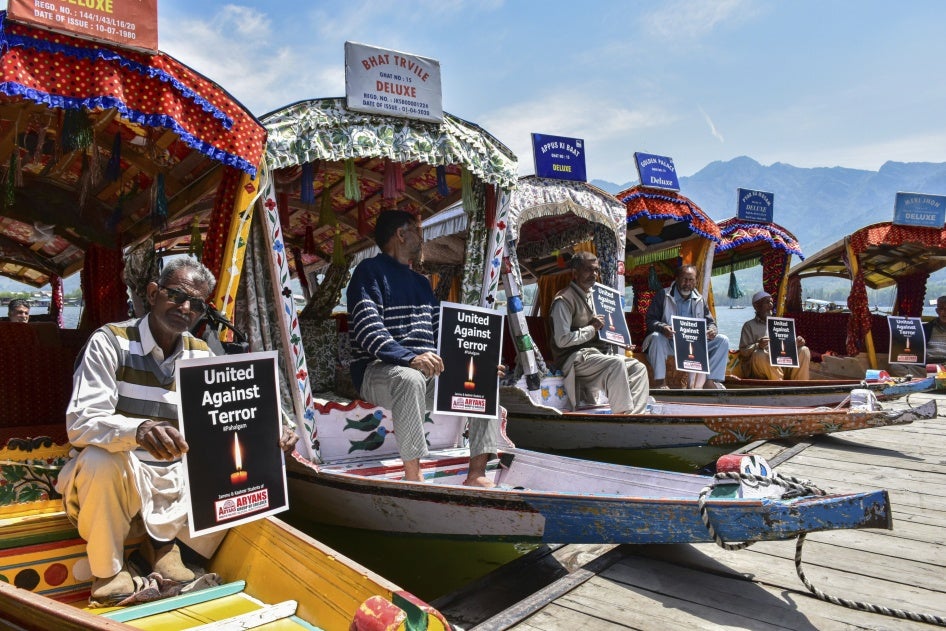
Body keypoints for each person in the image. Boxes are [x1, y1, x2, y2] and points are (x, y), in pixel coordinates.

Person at [56, 257, 297, 604]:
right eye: (176, 296)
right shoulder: (110, 342)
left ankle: (172, 552)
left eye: (196, 304)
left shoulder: (201, 354)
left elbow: (238, 410)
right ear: (153, 293)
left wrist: (277, 432)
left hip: (172, 482)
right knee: (98, 459)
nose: (185, 308)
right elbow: (81, 421)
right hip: (118, 483)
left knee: (248, 468)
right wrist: (139, 430)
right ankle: (108, 573)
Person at [347, 210, 499, 487]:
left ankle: (476, 474)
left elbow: (444, 333)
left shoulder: (421, 283)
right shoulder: (368, 273)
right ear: (401, 234)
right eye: (418, 231)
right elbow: (368, 331)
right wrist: (410, 358)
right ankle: (413, 476)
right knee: (410, 378)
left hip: (424, 371)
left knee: (483, 380)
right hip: (378, 371)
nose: (422, 239)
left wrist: (479, 361)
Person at [548, 251, 649, 413]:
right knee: (616, 364)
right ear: (575, 273)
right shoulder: (564, 300)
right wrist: (591, 328)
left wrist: (620, 339)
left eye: (596, 270)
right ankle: (622, 415)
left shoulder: (597, 296)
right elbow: (562, 340)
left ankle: (635, 415)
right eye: (588, 270)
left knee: (638, 368)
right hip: (573, 358)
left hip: (597, 356)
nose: (594, 274)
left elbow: (606, 331)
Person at [643, 264, 730, 389]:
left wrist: (712, 330)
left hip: (692, 345)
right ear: (677, 278)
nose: (687, 283)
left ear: (696, 281)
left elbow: (710, 322)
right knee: (657, 337)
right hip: (669, 343)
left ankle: (710, 381)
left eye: (691, 280)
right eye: (684, 279)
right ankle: (660, 381)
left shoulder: (700, 300)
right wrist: (663, 327)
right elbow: (650, 320)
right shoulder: (663, 295)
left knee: (722, 340)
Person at [738, 291, 810, 380]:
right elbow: (743, 352)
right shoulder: (749, 326)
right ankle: (779, 384)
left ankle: (800, 385)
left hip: (782, 363)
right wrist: (758, 345)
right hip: (761, 367)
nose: (771, 305)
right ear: (756, 306)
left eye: (772, 302)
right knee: (759, 354)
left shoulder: (780, 323)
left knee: (804, 350)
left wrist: (796, 343)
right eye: (767, 302)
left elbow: (787, 346)